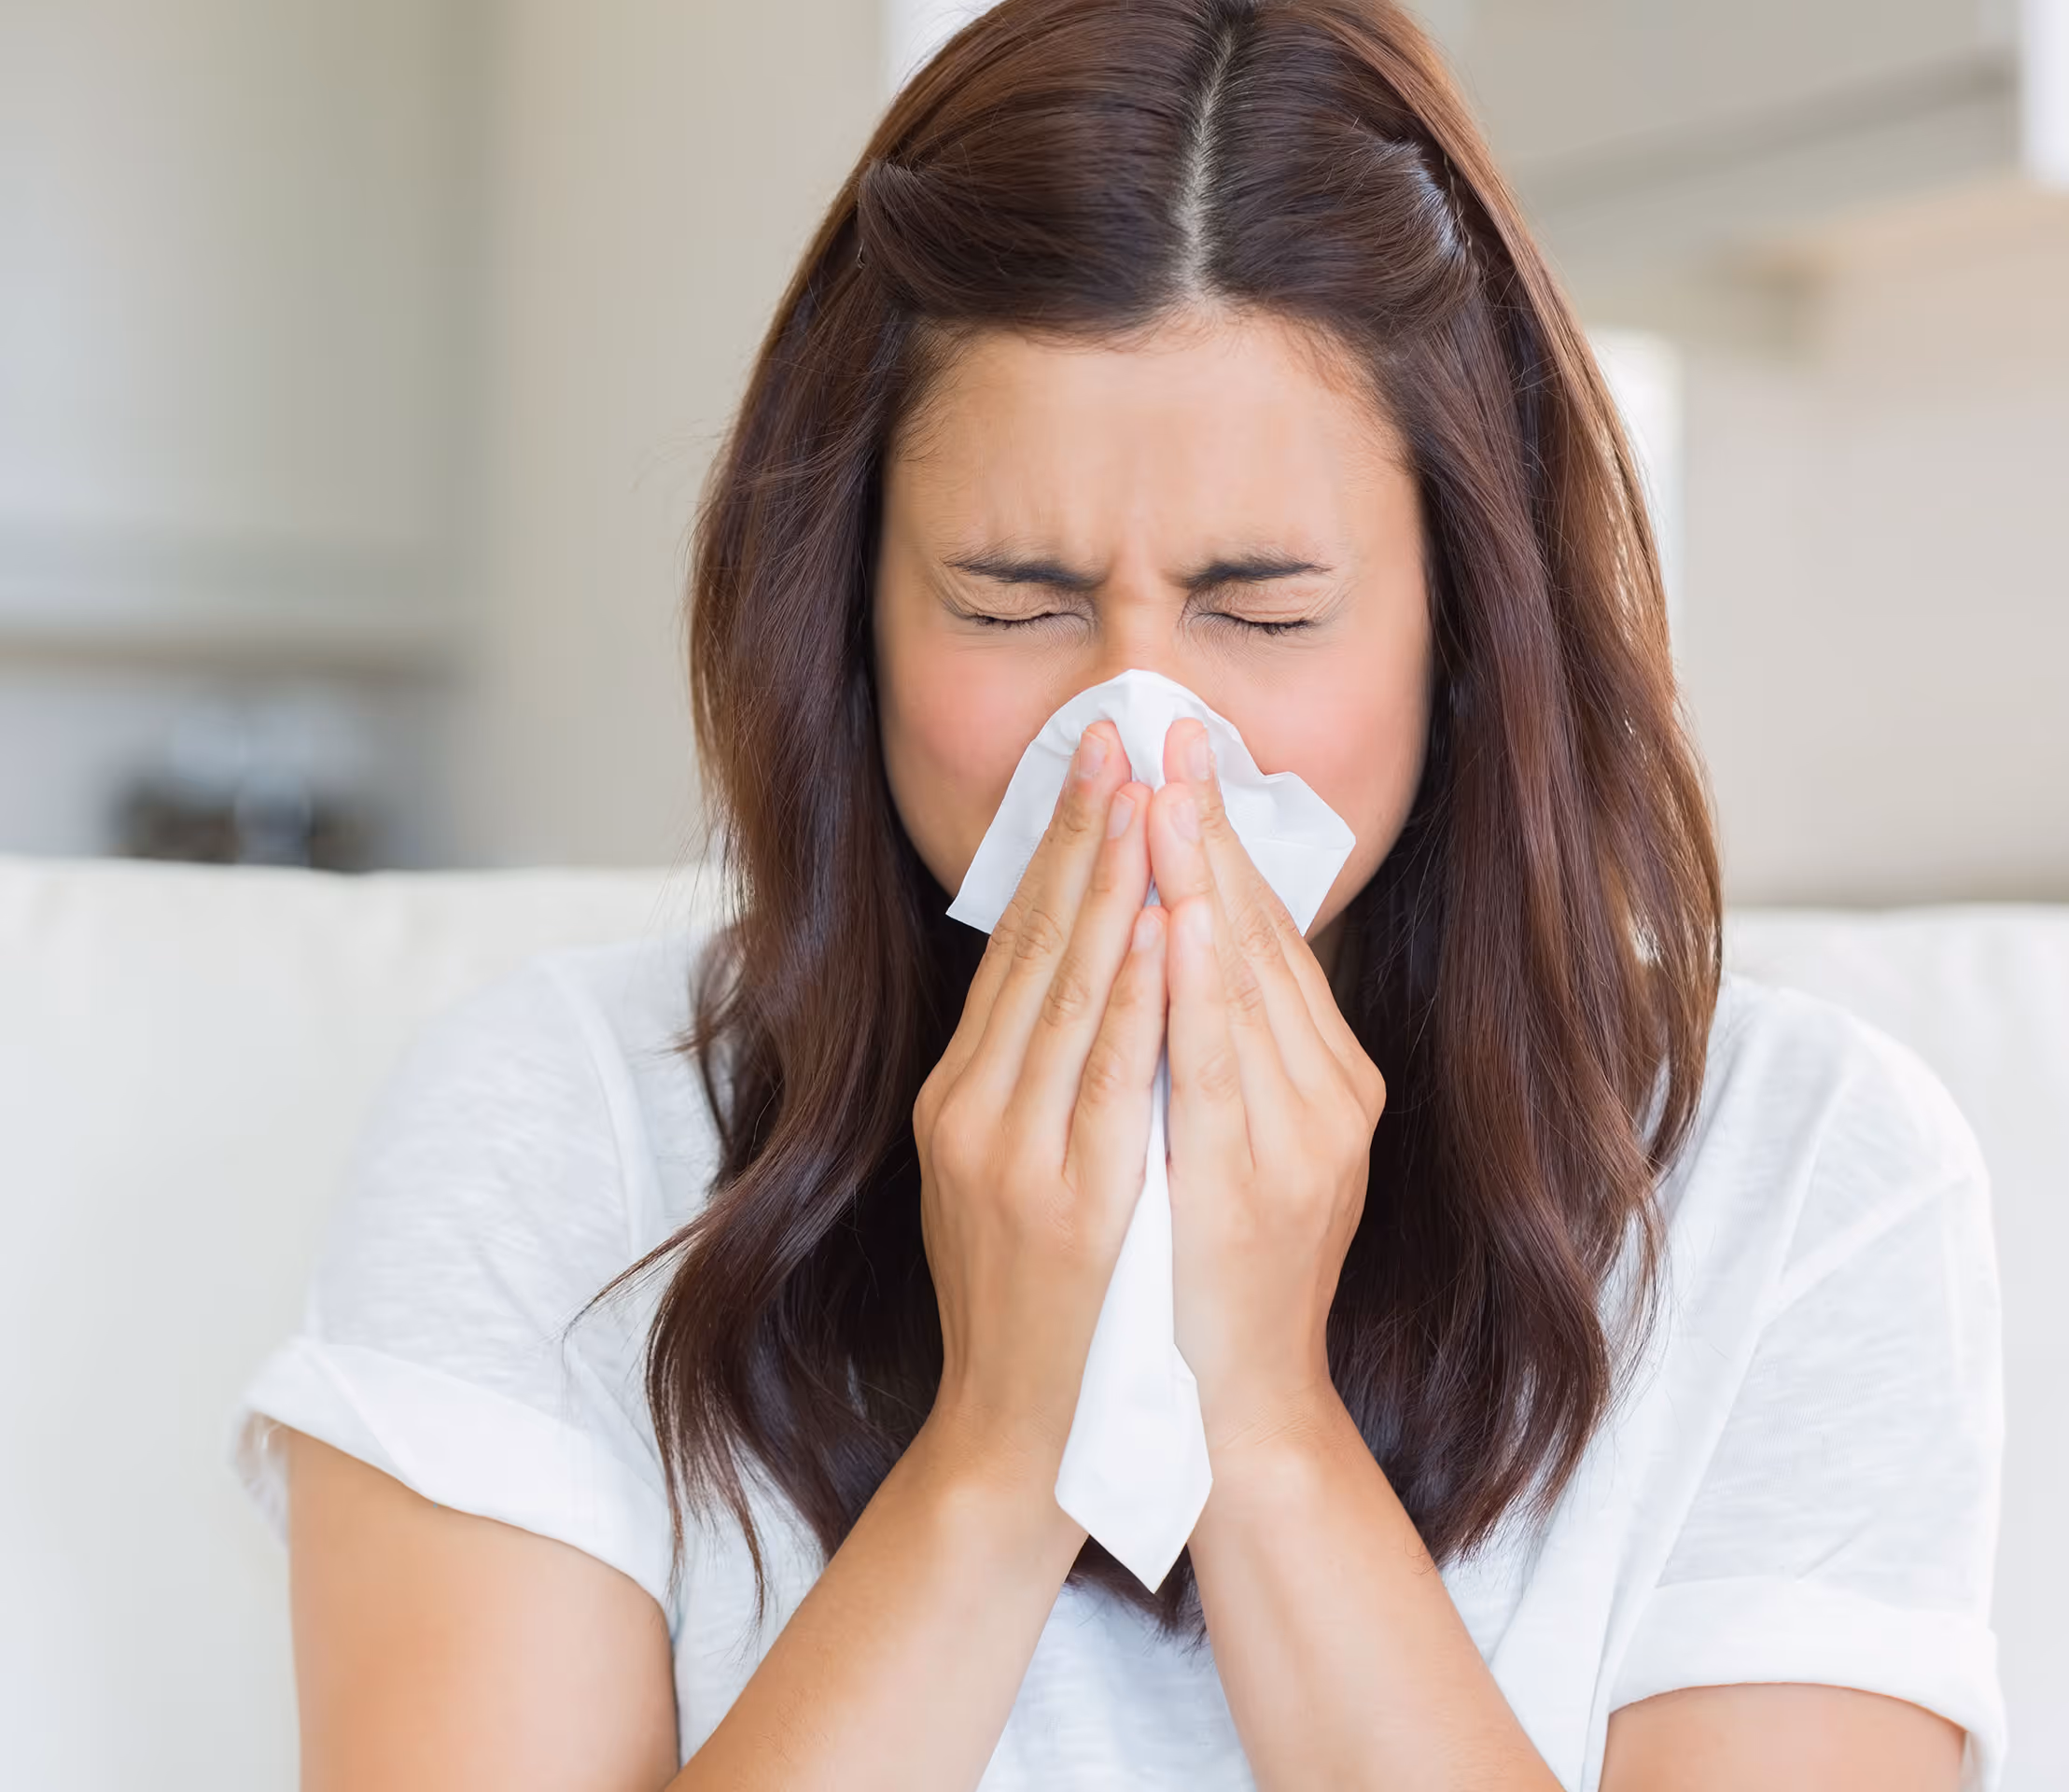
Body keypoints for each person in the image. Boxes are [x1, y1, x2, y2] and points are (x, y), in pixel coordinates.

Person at [231, 2, 2006, 1786]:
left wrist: (1263, 1424)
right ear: (844, 618)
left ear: (1466, 625)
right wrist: (1002, 1450)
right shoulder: (558, 1131)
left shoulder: (1798, 1174)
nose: (1137, 743)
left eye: (1263, 611)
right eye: (1013, 602)